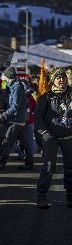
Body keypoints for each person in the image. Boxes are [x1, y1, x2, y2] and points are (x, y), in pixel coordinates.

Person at [35, 68, 72, 209]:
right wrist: (44, 132)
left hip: (69, 137)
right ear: (53, 81)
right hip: (51, 137)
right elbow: (38, 116)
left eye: (63, 77)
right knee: (49, 167)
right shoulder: (46, 97)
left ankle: (70, 196)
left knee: (70, 167)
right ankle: (42, 196)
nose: (61, 79)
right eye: (58, 77)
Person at [0, 67, 34, 171]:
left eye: (4, 75)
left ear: (7, 76)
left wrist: (5, 114)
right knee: (23, 143)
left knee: (7, 142)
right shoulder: (10, 85)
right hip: (17, 119)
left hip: (17, 120)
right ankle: (29, 163)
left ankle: (1, 163)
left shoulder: (17, 87)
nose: (2, 77)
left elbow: (15, 105)